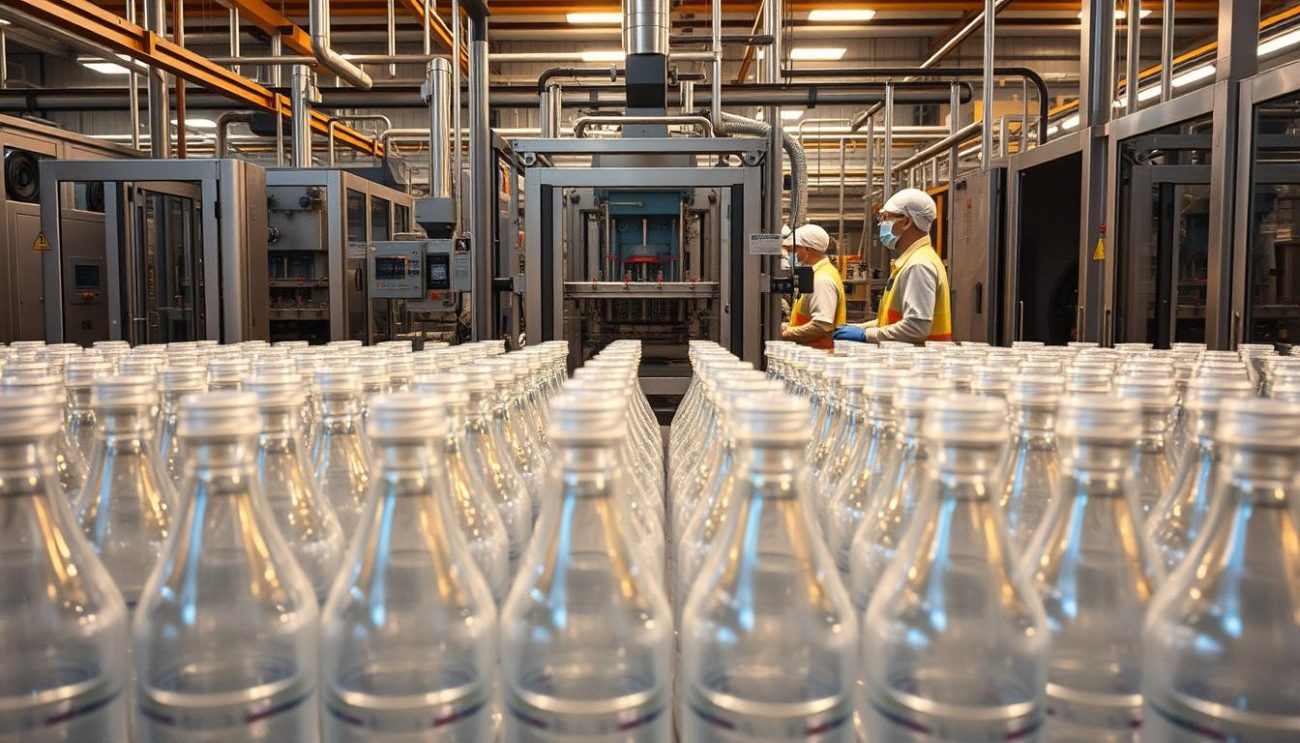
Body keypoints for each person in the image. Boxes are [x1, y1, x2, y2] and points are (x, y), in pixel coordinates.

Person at [834, 188, 952, 345]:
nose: (882, 224)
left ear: (906, 221)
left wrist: (864, 335)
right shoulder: (911, 261)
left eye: (886, 217)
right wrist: (856, 328)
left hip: (918, 364)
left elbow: (916, 328)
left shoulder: (918, 265)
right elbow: (889, 323)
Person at [780, 223, 846, 350]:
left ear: (807, 250)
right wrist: (787, 326)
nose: (792, 255)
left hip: (819, 356)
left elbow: (822, 325)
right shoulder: (816, 274)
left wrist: (786, 334)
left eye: (794, 249)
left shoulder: (821, 279)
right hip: (811, 354)